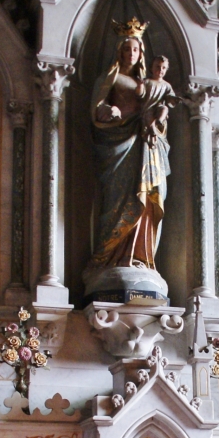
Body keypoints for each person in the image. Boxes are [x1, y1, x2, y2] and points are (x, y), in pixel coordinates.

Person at [85, 20, 176, 286]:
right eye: (127, 50)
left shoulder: (149, 83)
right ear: (119, 52)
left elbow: (164, 106)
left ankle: (141, 259)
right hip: (118, 146)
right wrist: (109, 112)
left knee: (147, 199)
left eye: (135, 50)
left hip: (147, 147)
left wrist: (158, 118)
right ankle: (109, 258)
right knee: (117, 201)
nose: (131, 54)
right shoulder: (109, 78)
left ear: (141, 53)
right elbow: (97, 109)